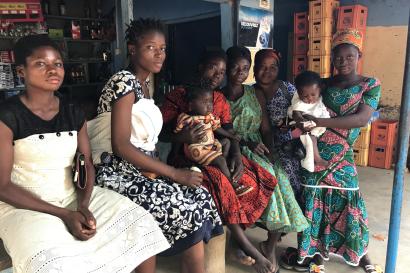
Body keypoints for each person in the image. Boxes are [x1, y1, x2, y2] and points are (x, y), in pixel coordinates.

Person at [0, 34, 170, 273]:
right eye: (41, 64)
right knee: (51, 263)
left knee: (141, 227)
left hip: (73, 196)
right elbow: (3, 186)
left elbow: (85, 163)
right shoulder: (7, 117)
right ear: (21, 72)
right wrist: (65, 215)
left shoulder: (72, 111)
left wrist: (84, 204)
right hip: (23, 205)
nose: (52, 70)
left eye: (57, 64)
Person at [87, 18, 223, 273]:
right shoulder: (123, 82)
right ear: (132, 49)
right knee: (182, 205)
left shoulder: (146, 86)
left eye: (162, 48)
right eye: (151, 47)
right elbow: (120, 145)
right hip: (116, 170)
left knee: (201, 196)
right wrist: (172, 173)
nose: (159, 54)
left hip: (140, 169)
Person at [161, 48, 279, 273]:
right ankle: (244, 243)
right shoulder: (179, 95)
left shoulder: (219, 98)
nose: (218, 74)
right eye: (213, 68)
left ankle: (237, 239)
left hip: (217, 153)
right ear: (200, 67)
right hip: (186, 158)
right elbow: (161, 132)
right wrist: (183, 136)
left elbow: (227, 130)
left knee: (256, 178)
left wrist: (237, 154)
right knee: (222, 183)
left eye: (222, 71)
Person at [293, 29, 383, 273]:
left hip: (343, 153)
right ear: (332, 58)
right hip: (315, 151)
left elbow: (361, 119)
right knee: (315, 201)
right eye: (338, 57)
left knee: (350, 201)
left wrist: (320, 122)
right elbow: (301, 103)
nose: (343, 62)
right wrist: (300, 121)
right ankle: (317, 252)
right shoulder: (322, 84)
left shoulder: (369, 85)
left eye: (349, 57)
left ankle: (360, 252)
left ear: (359, 55)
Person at [223, 45, 309, 273]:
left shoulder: (255, 93)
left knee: (280, 179)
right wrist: (245, 144)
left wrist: (271, 152)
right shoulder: (218, 97)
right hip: (234, 149)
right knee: (247, 184)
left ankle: (270, 245)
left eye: (245, 68)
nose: (241, 72)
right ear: (226, 68)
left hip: (259, 146)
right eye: (235, 67)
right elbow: (220, 132)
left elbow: (266, 128)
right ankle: (237, 241)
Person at [174, 84, 253, 196]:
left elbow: (218, 128)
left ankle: (221, 162)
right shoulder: (186, 118)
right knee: (220, 160)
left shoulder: (210, 117)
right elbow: (177, 133)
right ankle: (233, 184)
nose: (209, 105)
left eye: (210, 101)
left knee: (226, 142)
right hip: (197, 149)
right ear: (191, 106)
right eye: (204, 102)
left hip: (210, 146)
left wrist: (232, 136)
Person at [255, 49, 304, 202]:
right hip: (266, 142)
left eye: (272, 67)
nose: (267, 71)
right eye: (262, 67)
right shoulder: (250, 91)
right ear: (254, 68)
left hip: (291, 142)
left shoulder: (286, 88)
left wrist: (286, 125)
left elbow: (303, 113)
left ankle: (299, 211)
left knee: (292, 175)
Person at [287, 71, 330, 171]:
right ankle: (317, 158)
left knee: (309, 138)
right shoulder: (298, 101)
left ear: (319, 90)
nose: (309, 98)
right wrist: (303, 123)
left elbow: (322, 111)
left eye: (313, 95)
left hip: (315, 124)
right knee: (311, 138)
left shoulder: (319, 99)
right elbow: (296, 114)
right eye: (305, 96)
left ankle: (297, 146)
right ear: (298, 93)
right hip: (300, 126)